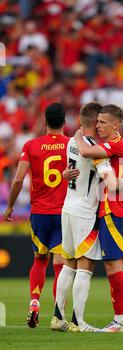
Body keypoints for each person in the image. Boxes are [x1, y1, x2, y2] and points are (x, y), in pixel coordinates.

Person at [3, 103, 69, 328]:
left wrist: (10, 207)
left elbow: (19, 180)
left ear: (45, 122)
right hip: (63, 212)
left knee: (40, 260)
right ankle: (58, 313)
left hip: (39, 212)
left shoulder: (31, 145)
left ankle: (34, 302)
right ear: (65, 122)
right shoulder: (72, 145)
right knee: (60, 264)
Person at [50, 102, 115, 333]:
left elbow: (71, 169)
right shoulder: (93, 149)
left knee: (68, 264)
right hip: (85, 212)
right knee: (85, 266)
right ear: (96, 122)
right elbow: (109, 179)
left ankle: (58, 317)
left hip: (67, 207)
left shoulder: (71, 142)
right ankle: (79, 321)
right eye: (100, 121)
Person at [74, 104, 123, 332]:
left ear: (116, 125)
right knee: (116, 267)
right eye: (97, 121)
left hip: (114, 211)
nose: (97, 125)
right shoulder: (110, 145)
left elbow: (87, 152)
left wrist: (79, 137)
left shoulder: (116, 144)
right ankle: (122, 319)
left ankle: (120, 320)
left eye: (103, 122)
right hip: (110, 210)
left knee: (114, 267)